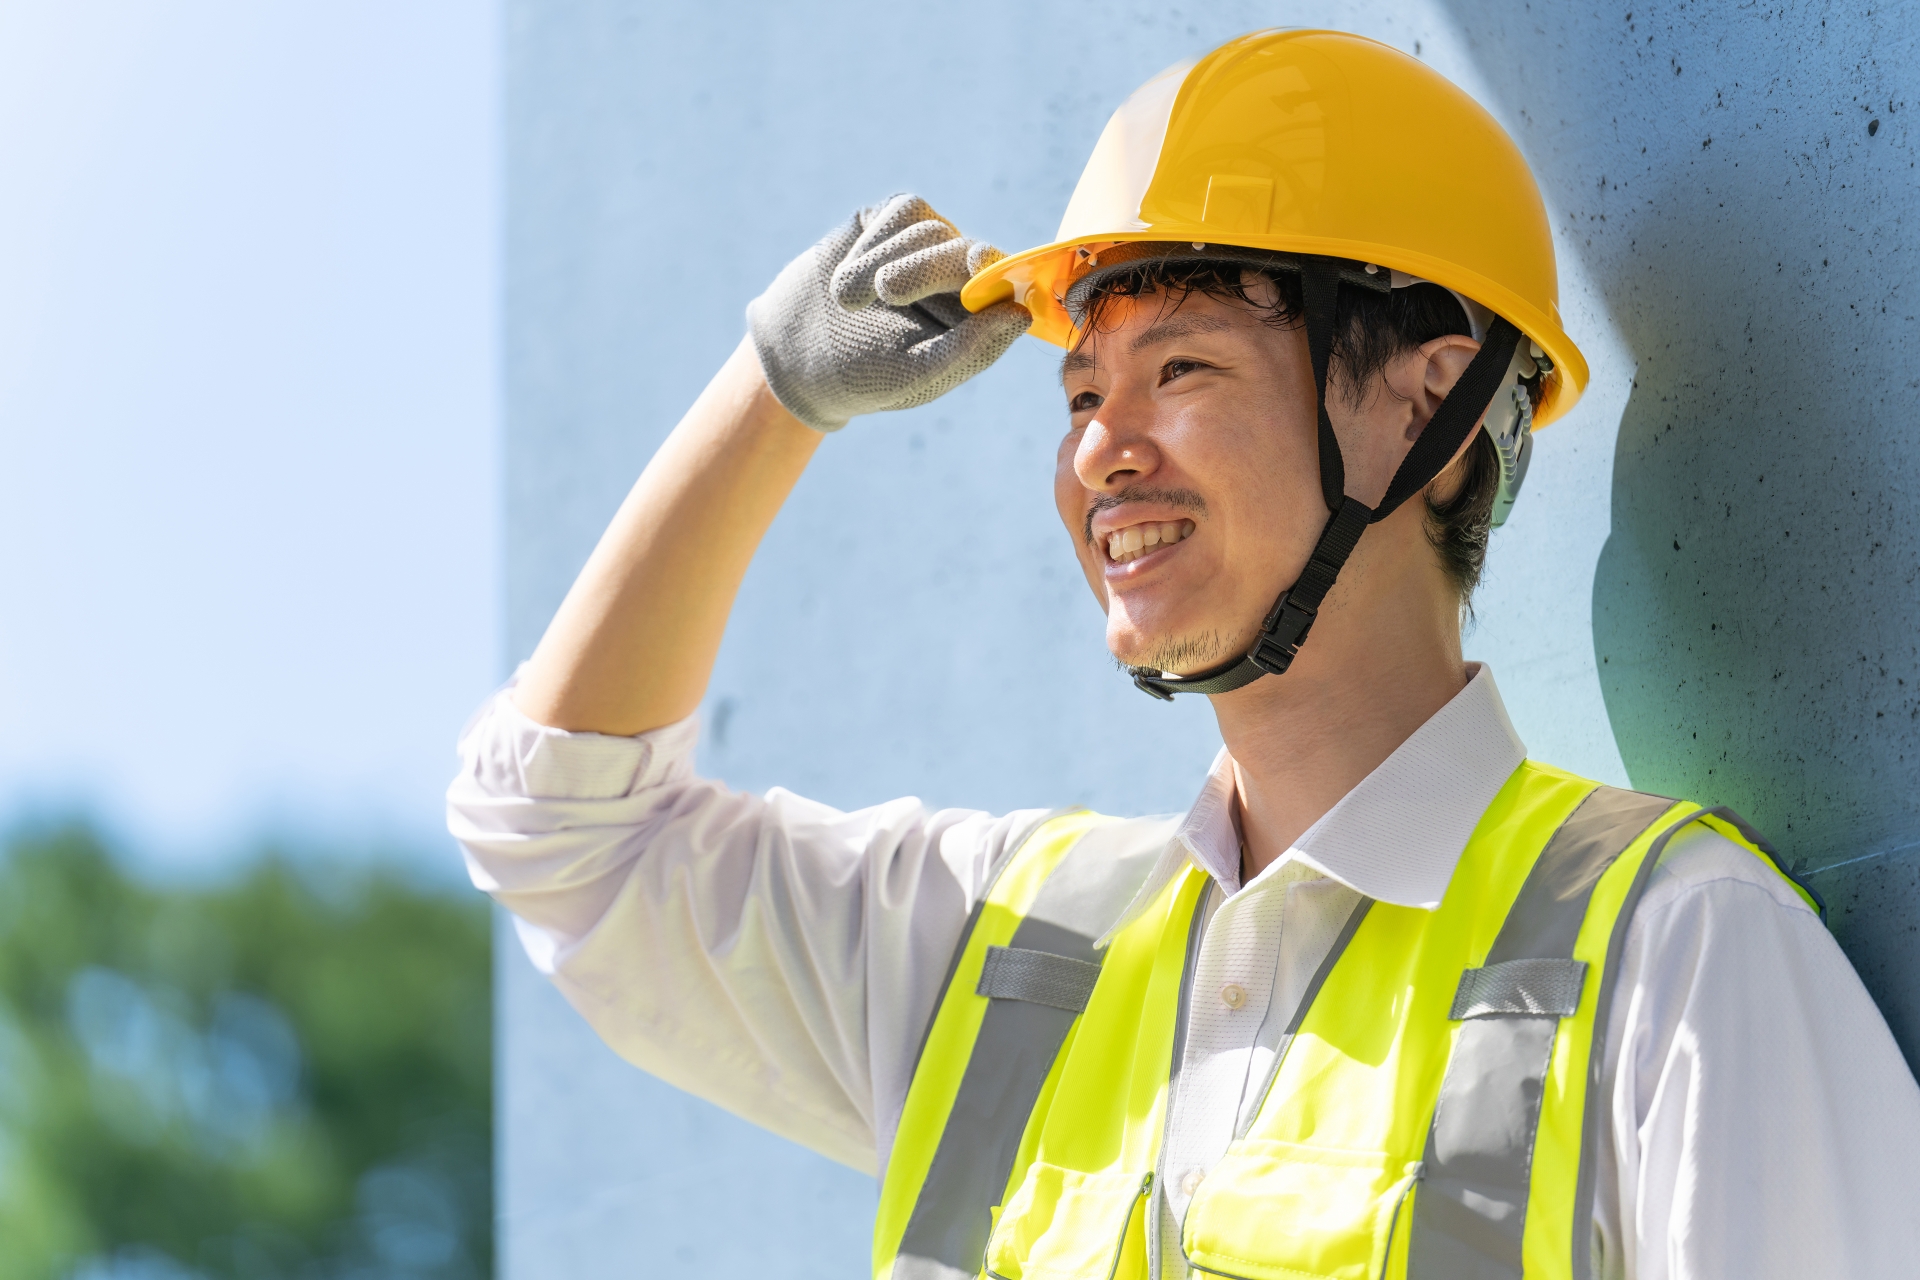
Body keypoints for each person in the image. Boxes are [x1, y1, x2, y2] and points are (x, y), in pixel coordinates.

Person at [448, 29, 1920, 1280]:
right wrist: (774, 395)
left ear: (1427, 413)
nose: (1100, 452)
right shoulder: (1010, 959)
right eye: (1080, 393)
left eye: (1184, 370)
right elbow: (571, 843)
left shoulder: (1672, 954)